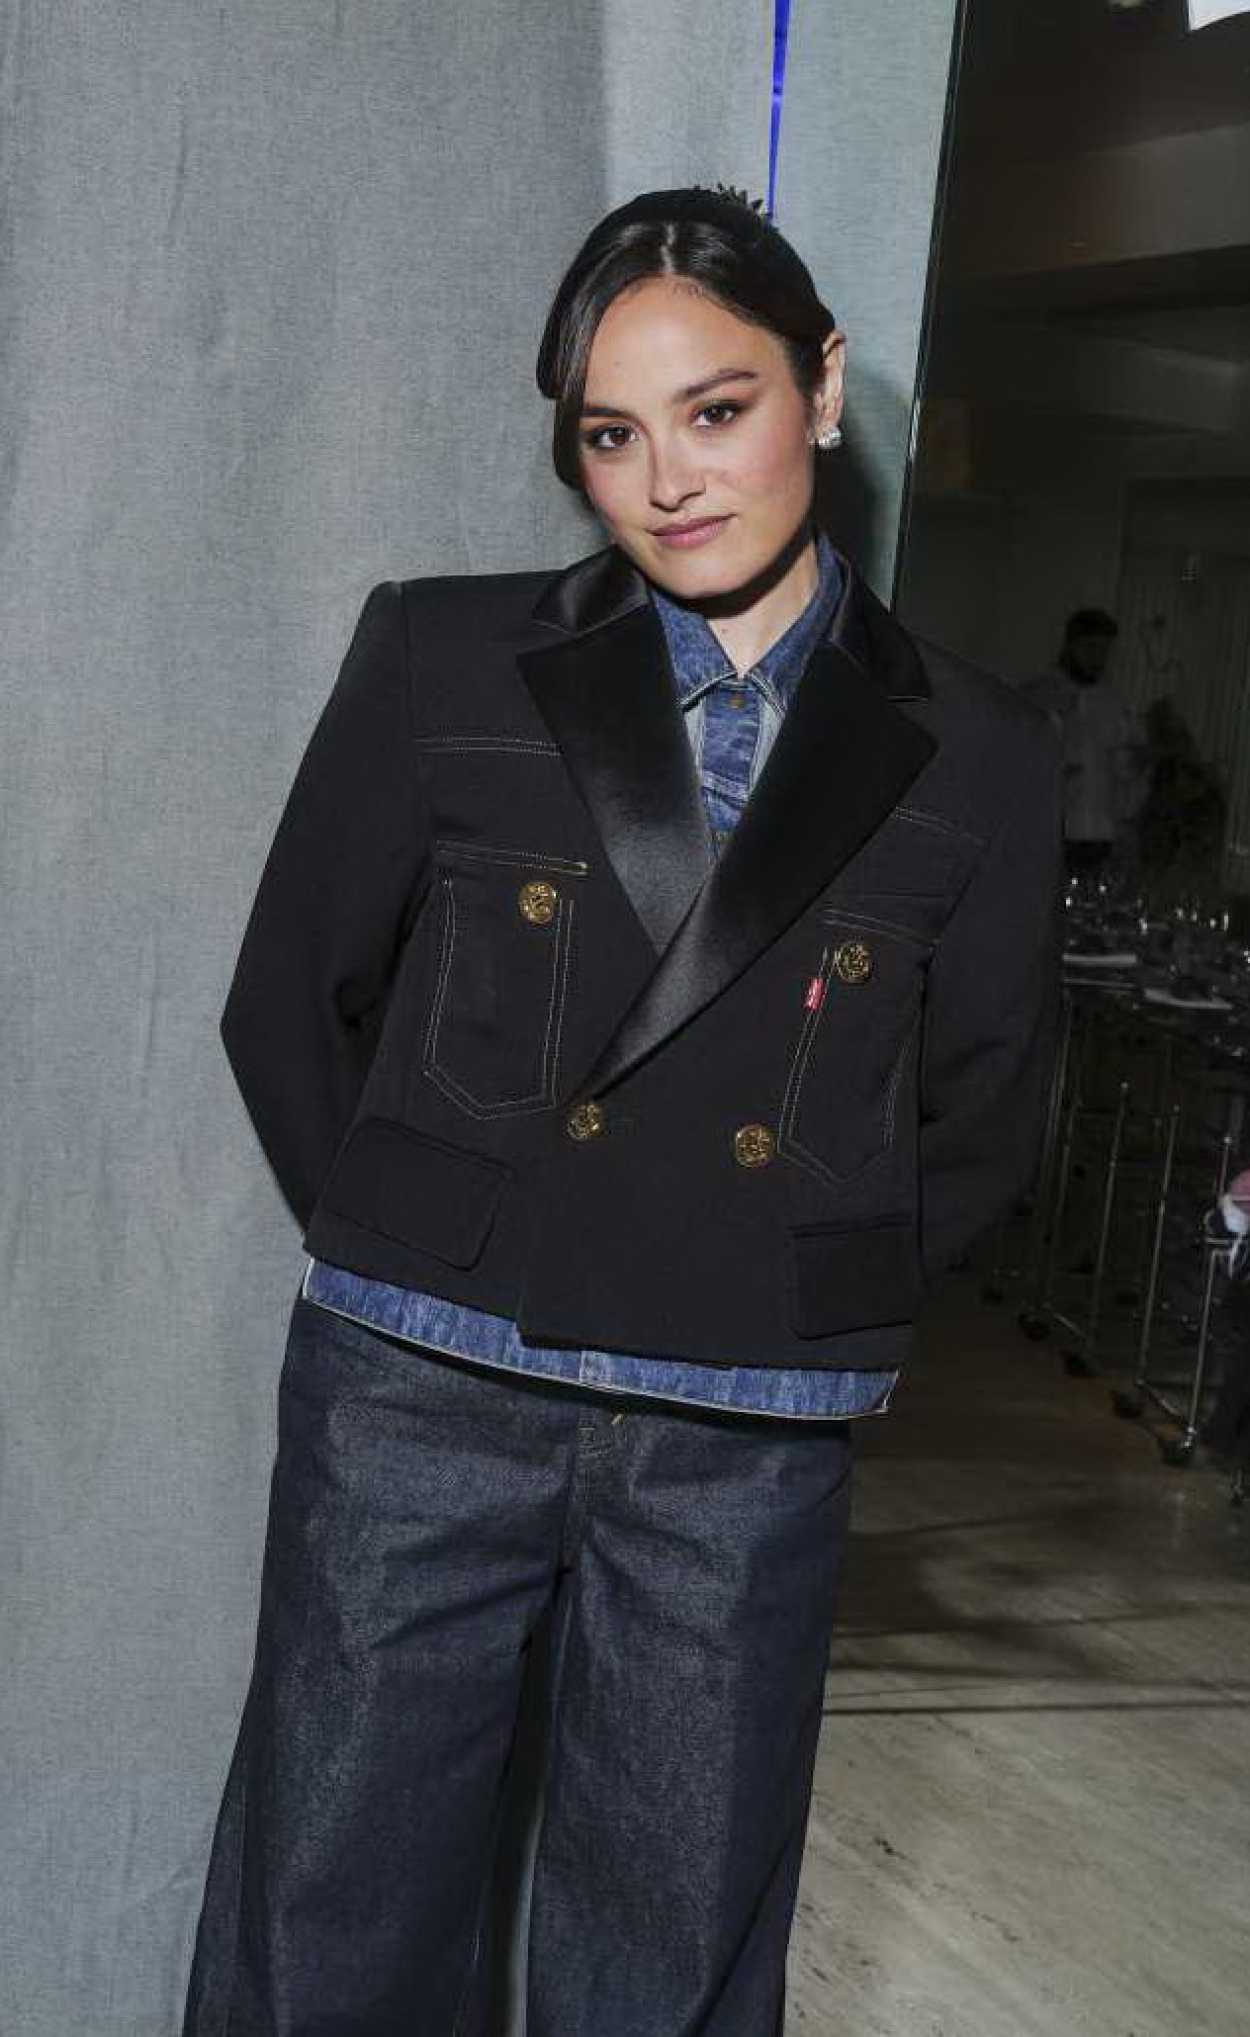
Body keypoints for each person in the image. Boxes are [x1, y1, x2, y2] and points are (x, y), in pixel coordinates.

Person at [182, 186, 1063, 2036]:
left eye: (715, 409)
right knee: (325, 1921)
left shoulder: (979, 745)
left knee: (666, 1961)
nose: (667, 480)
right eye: (609, 434)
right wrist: (421, 1245)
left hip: (740, 1426)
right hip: (419, 1388)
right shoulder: (442, 655)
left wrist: (800, 1287)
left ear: (822, 387)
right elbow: (292, 997)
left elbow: (986, 1100)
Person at [1022, 607, 1140, 880]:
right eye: (1091, 648)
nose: (1098, 659)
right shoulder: (1036, 697)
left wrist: (1136, 763)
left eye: (1104, 651)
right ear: (1071, 645)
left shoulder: (1114, 705)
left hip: (1098, 834)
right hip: (1047, 829)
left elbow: (1126, 769)